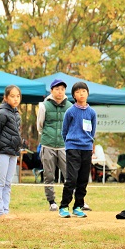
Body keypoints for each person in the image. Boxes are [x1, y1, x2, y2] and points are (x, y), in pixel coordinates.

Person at [58, 82, 96, 218]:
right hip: (73, 147)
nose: (81, 94)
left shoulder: (92, 112)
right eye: (78, 92)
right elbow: (65, 130)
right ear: (74, 95)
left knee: (83, 179)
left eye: (84, 91)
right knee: (71, 178)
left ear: (87, 93)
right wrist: (69, 143)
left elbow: (93, 131)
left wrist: (89, 144)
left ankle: (78, 206)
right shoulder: (70, 111)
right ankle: (63, 206)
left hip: (86, 148)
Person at [37, 79, 72, 211]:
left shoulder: (70, 106)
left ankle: (68, 200)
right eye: (57, 89)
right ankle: (51, 201)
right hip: (48, 144)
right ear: (52, 91)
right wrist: (48, 136)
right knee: (49, 175)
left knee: (69, 174)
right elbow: (39, 126)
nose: (60, 92)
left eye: (62, 89)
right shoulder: (44, 105)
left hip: (64, 145)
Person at [0, 85, 22, 218]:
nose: (16, 99)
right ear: (5, 97)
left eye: (18, 96)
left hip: (13, 152)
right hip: (2, 151)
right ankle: (0, 212)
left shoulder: (16, 113)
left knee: (8, 182)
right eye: (12, 96)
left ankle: (6, 210)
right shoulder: (1, 113)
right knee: (0, 182)